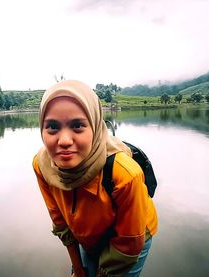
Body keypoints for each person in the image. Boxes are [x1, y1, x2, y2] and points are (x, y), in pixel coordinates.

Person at [33, 80, 158, 277]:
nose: (64, 141)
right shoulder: (42, 165)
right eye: (52, 127)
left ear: (95, 127)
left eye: (77, 125)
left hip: (131, 236)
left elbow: (129, 242)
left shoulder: (125, 174)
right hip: (88, 232)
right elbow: (61, 224)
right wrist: (79, 269)